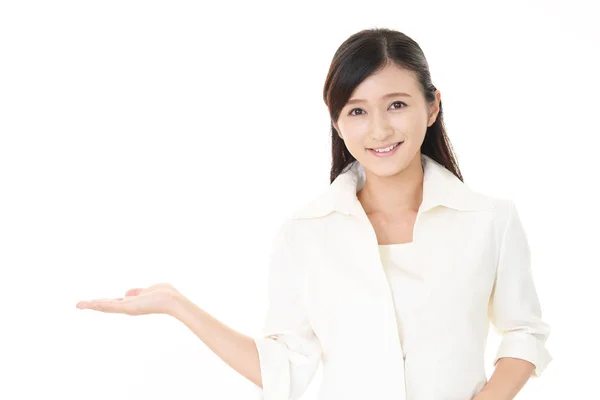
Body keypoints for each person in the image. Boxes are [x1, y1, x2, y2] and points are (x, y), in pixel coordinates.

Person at [76, 28, 552, 400]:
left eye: (398, 104)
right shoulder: (305, 233)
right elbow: (283, 366)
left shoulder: (490, 220)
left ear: (432, 107)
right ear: (337, 122)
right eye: (357, 111)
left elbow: (524, 333)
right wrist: (176, 305)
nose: (379, 128)